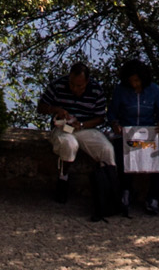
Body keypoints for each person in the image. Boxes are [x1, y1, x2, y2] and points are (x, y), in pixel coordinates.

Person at [38, 61, 114, 194]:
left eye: (79, 86)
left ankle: (107, 185)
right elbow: (41, 107)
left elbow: (100, 117)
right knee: (69, 144)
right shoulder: (58, 85)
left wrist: (83, 125)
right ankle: (63, 178)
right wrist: (56, 110)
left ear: (87, 82)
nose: (74, 88)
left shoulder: (96, 90)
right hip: (63, 128)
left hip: (85, 127)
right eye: (72, 84)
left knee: (106, 149)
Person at [107, 60, 159, 216]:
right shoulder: (120, 91)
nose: (135, 84)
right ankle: (125, 191)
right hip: (127, 132)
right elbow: (112, 113)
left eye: (137, 80)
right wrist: (115, 124)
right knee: (122, 156)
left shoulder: (154, 90)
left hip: (147, 133)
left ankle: (153, 197)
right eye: (131, 81)